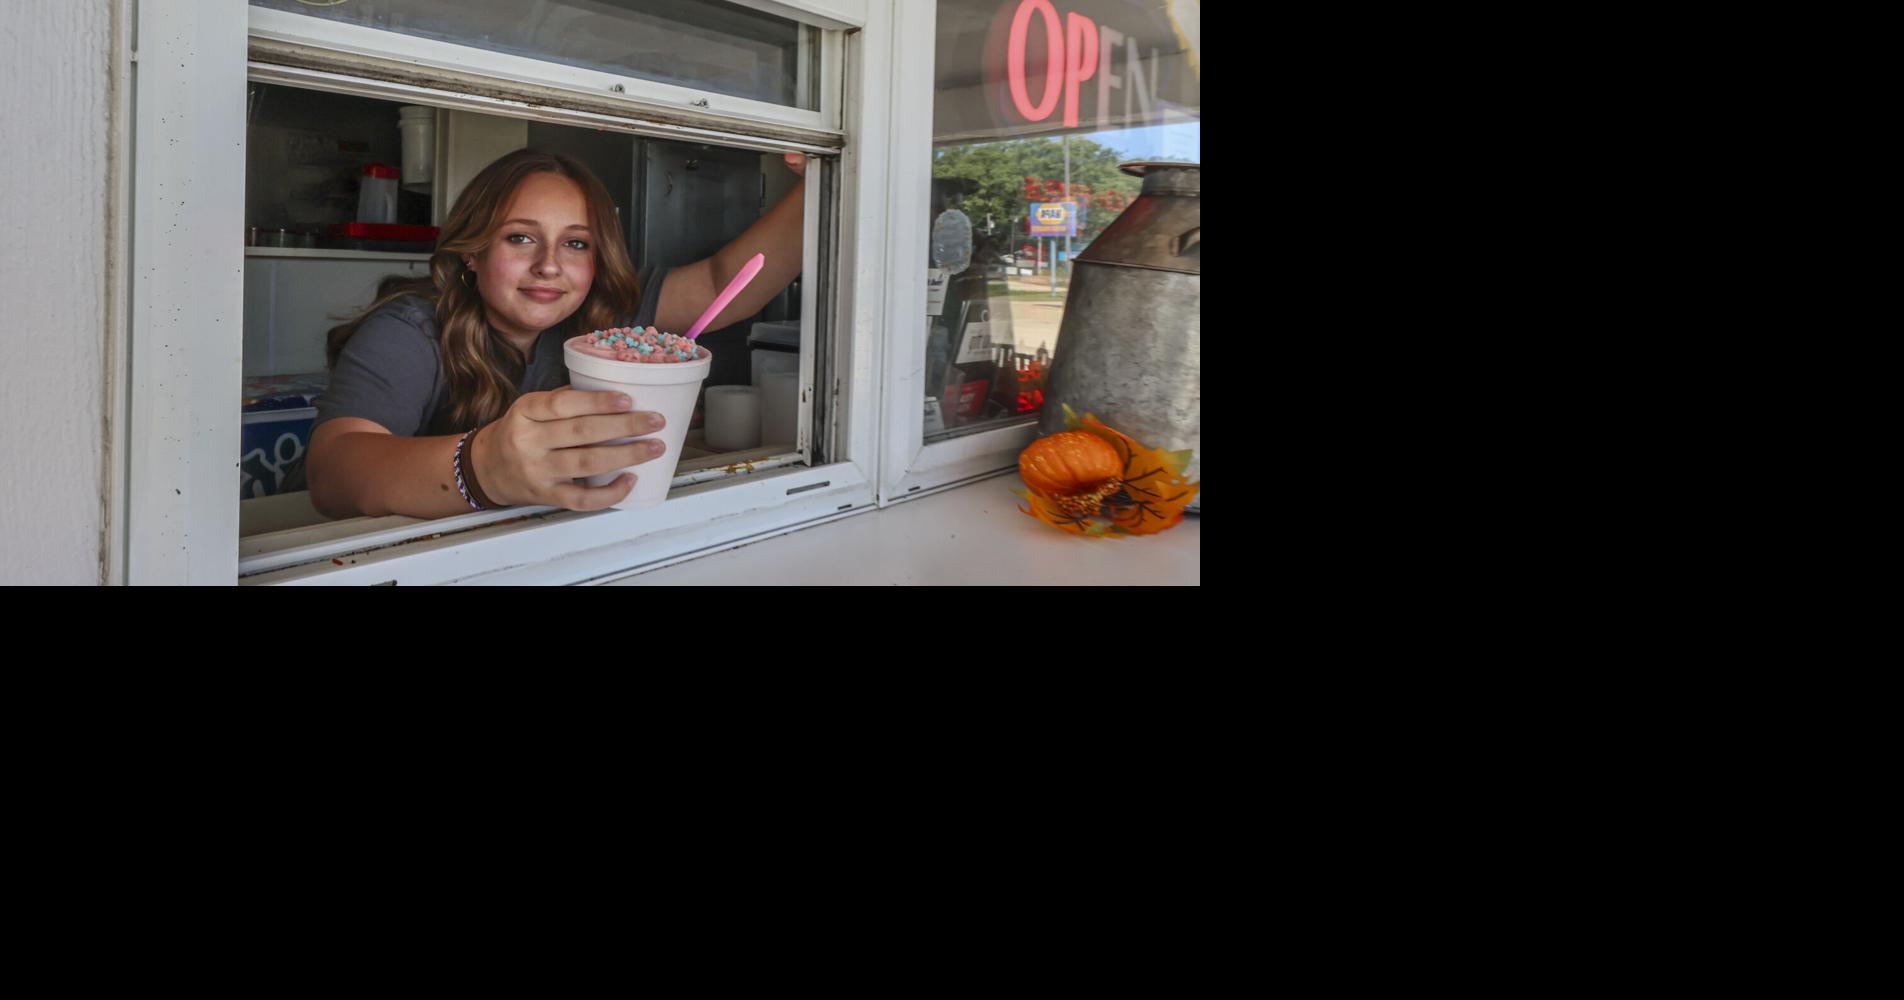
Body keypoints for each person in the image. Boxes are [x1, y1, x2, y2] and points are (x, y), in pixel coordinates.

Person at [300, 147, 806, 518]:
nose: (549, 266)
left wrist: (821, 183)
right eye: (520, 237)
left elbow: (727, 282)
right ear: (471, 253)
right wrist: (482, 468)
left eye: (576, 244)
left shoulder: (611, 316)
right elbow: (333, 472)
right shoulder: (410, 330)